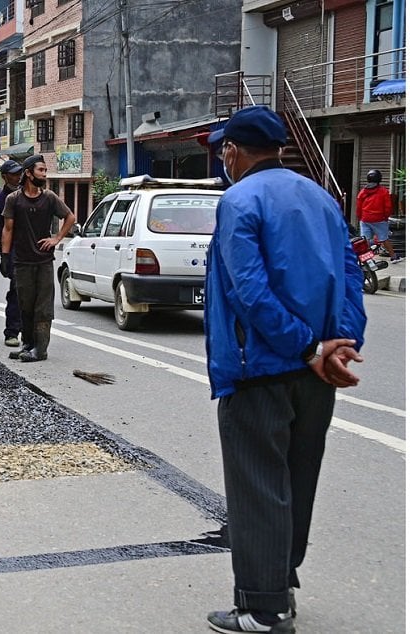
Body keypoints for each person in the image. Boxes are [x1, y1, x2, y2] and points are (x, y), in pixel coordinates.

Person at [203, 105, 367, 634]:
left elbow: (248, 292)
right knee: (297, 484)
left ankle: (262, 609)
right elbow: (350, 278)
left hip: (263, 370)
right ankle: (282, 590)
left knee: (257, 489)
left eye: (223, 149)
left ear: (232, 151)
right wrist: (338, 347)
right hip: (317, 375)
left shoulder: (239, 200)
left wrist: (306, 347)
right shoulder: (322, 198)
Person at [0, 155, 76, 362]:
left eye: (45, 171)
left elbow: (70, 217)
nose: (44, 174)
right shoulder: (13, 199)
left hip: (43, 262)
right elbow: (8, 229)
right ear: (28, 173)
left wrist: (57, 238)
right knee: (25, 305)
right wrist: (5, 256)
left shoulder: (49, 198)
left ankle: (40, 350)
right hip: (22, 261)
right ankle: (28, 345)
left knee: (42, 307)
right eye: (40, 170)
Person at [0, 160, 25, 348]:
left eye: (19, 173)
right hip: (14, 252)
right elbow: (2, 231)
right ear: (5, 177)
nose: (17, 176)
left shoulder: (28, 193)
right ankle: (11, 332)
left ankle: (30, 332)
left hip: (32, 252)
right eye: (13, 174)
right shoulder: (1, 201)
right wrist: (5, 257)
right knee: (17, 292)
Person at [357, 169, 398, 262]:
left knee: (365, 241)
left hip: (365, 219)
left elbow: (359, 207)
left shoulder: (362, 192)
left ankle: (367, 260)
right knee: (384, 239)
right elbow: (388, 207)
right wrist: (385, 218)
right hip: (379, 219)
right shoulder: (383, 191)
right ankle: (394, 257)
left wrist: (361, 217)